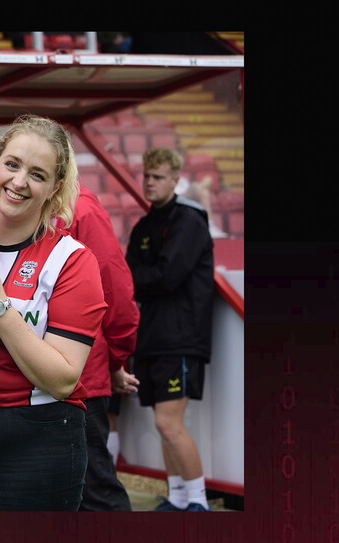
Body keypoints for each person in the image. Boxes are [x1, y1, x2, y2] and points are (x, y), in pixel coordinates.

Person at [0, 114, 108, 510]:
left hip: (37, 439)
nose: (18, 183)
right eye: (12, 165)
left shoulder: (71, 259)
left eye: (37, 175)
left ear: (54, 187)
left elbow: (63, 379)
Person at [125, 147, 215, 512]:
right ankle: (178, 497)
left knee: (168, 423)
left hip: (180, 338)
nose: (150, 182)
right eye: (147, 175)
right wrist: (141, 278)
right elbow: (132, 277)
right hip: (151, 338)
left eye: (158, 176)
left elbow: (166, 277)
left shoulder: (189, 221)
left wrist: (139, 278)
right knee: (162, 424)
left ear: (176, 180)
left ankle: (199, 501)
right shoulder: (144, 225)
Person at [59, 185, 140, 511]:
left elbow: (114, 287)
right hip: (49, 372)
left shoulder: (81, 209)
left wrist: (115, 361)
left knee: (94, 488)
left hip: (80, 375)